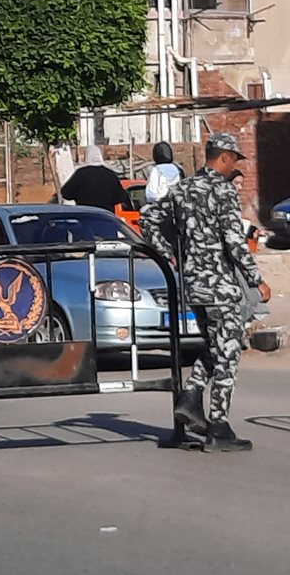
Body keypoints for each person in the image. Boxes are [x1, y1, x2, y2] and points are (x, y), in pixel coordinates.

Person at [140, 132, 271, 454]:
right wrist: (256, 280)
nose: (234, 166)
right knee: (228, 355)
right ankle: (218, 427)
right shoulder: (222, 190)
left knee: (216, 346)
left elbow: (148, 218)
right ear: (223, 156)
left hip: (194, 286)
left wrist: (169, 255)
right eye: (234, 160)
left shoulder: (182, 188)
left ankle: (191, 395)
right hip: (221, 286)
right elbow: (234, 240)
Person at [59, 146, 131, 213]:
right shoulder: (110, 174)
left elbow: (65, 193)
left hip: (85, 215)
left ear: (87, 157)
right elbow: (121, 197)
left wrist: (79, 195)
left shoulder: (80, 173)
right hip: (106, 216)